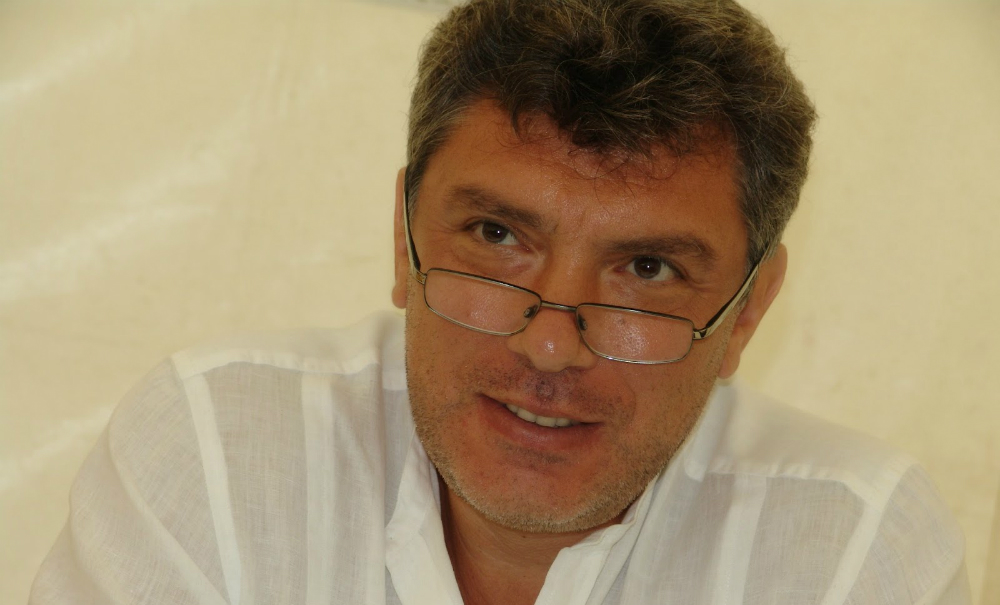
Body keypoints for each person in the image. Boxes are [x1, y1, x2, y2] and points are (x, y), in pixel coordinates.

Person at [30, 0, 970, 603]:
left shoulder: (853, 553)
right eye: (495, 236)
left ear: (748, 311)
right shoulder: (215, 454)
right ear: (402, 239)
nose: (551, 345)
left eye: (646, 269)